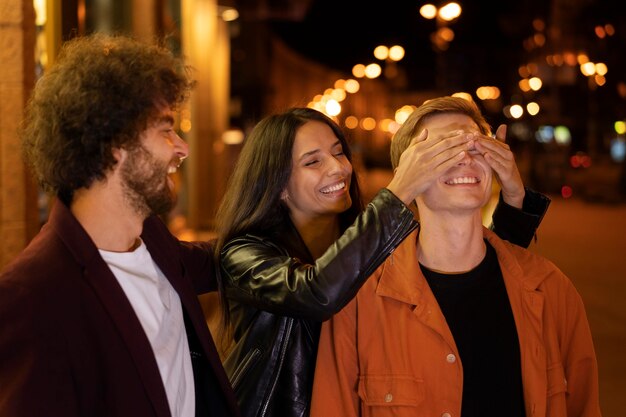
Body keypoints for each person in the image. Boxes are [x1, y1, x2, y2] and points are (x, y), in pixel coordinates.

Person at [213, 106, 551, 417]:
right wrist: (401, 189)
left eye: (338, 152)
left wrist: (513, 194)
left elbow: (483, 270)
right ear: (278, 186)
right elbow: (315, 293)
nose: (339, 168)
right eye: (313, 162)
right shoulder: (243, 253)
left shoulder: (369, 238)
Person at [310, 96, 601, 417]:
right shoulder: (359, 302)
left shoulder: (551, 290)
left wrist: (516, 195)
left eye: (476, 147)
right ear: (407, 174)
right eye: (440, 150)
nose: (464, 158)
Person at [0, 33, 240, 417]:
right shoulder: (32, 297)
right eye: (165, 129)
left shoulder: (153, 238)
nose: (182, 147)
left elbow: (221, 261)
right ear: (113, 142)